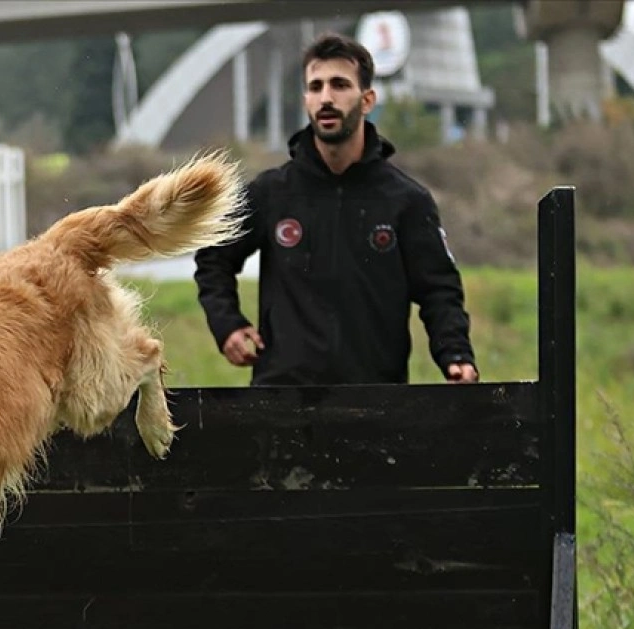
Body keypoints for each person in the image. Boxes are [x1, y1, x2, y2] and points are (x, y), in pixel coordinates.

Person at [194, 32, 479, 387]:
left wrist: (456, 356)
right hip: (283, 399)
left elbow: (440, 290)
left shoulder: (406, 200)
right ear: (305, 100)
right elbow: (212, 258)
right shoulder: (271, 192)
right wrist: (228, 325)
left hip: (377, 402)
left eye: (340, 85)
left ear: (367, 99)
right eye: (316, 87)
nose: (326, 98)